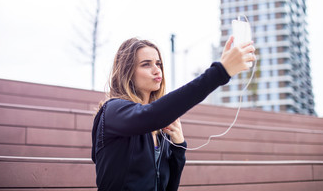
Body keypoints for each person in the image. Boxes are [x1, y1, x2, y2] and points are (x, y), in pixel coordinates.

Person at [91, 36, 256, 191]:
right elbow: (151, 115)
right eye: (146, 64)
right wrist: (221, 71)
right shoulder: (113, 111)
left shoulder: (161, 129)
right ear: (127, 72)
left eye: (159, 64)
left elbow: (169, 187)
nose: (157, 70)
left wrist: (178, 148)